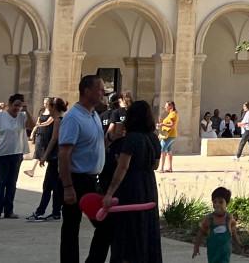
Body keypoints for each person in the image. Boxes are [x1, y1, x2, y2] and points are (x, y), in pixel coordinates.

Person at [99, 100, 162, 263]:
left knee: (128, 228)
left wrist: (110, 192)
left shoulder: (131, 138)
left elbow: (123, 168)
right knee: (147, 227)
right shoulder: (154, 138)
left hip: (130, 186)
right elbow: (155, 165)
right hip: (148, 184)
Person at [59, 74, 108, 263]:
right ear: (87, 91)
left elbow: (95, 144)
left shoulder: (93, 114)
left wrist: (110, 138)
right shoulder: (73, 117)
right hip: (76, 179)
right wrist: (68, 187)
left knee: (104, 225)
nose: (103, 92)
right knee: (72, 227)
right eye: (100, 89)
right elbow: (64, 154)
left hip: (91, 180)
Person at [0, 93, 29, 219]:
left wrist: (27, 111)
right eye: (15, 105)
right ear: (9, 104)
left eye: (19, 106)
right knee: (0, 183)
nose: (17, 108)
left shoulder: (22, 116)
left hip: (16, 154)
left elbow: (30, 125)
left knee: (12, 183)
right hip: (1, 154)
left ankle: (9, 210)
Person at [29, 98, 68, 222]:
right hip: (58, 157)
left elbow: (54, 139)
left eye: (49, 107)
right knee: (53, 186)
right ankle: (52, 211)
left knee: (50, 186)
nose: (48, 109)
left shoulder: (57, 120)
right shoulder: (64, 119)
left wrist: (44, 155)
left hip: (55, 157)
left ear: (53, 108)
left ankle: (45, 211)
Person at [193, 187, 241, 263]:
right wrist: (196, 247)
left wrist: (238, 244)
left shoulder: (229, 218)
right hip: (213, 253)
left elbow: (234, 232)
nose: (217, 205)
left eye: (221, 202)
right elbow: (200, 233)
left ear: (227, 203)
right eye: (214, 202)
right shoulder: (209, 219)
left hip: (225, 253)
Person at [156, 101, 178, 173]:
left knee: (162, 150)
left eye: (166, 106)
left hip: (169, 135)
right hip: (171, 135)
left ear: (170, 106)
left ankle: (161, 168)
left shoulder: (172, 114)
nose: (165, 107)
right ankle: (169, 167)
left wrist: (162, 124)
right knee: (169, 151)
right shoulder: (172, 114)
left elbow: (172, 125)